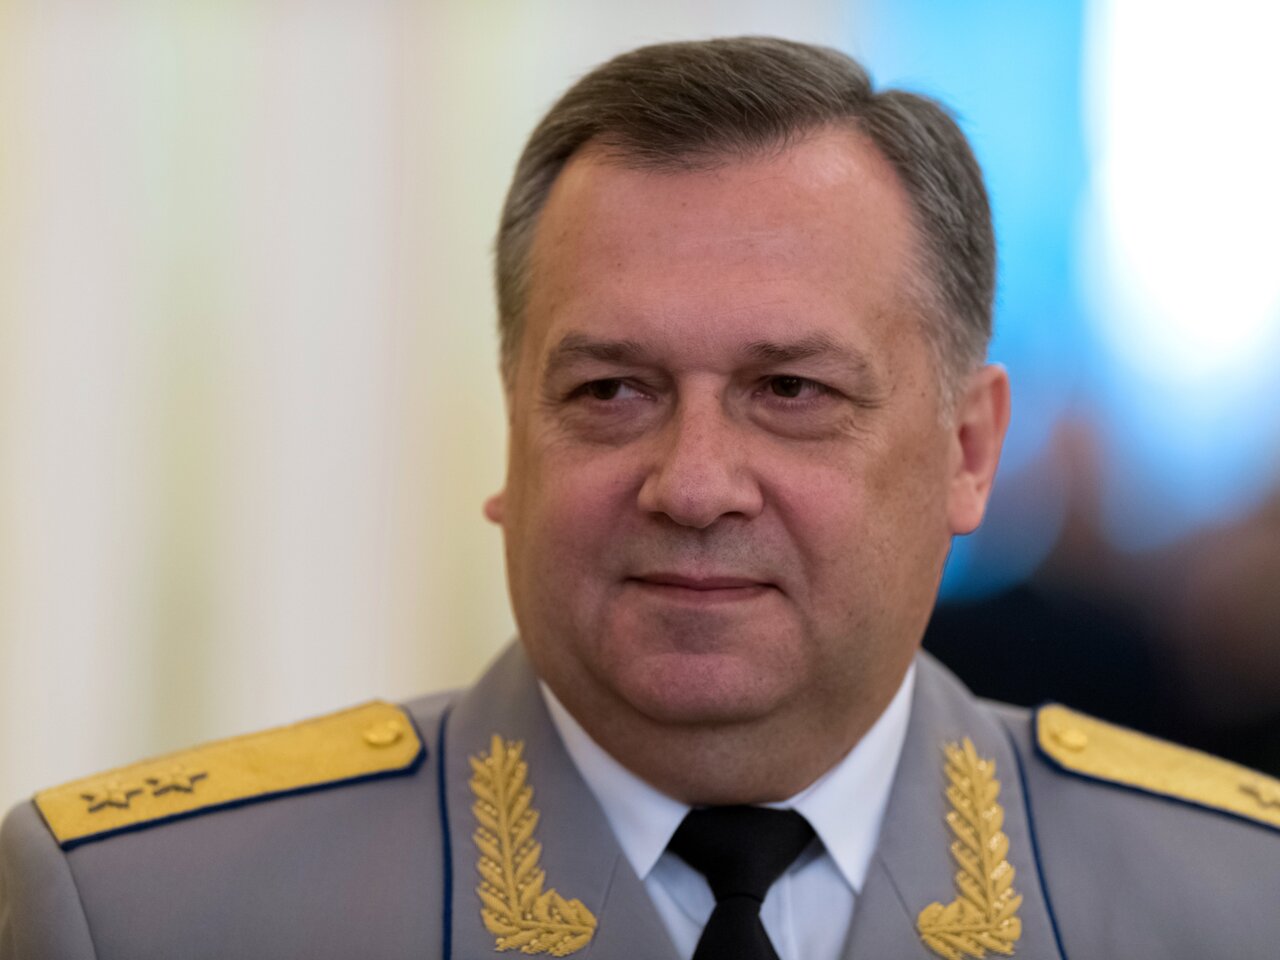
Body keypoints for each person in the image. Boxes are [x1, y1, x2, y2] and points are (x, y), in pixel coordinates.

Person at [2, 36, 1278, 960]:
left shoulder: (1236, 900)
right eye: (610, 391)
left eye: (789, 390)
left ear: (966, 451)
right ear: (513, 442)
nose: (695, 485)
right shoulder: (143, 914)